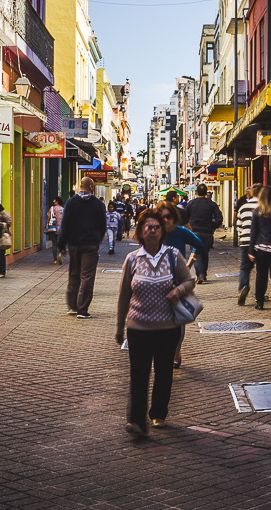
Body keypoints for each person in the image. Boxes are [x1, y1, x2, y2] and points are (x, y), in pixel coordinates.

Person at [115, 208, 196, 437]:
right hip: (138, 327)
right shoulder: (132, 259)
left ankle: (158, 413)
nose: (152, 231)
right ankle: (136, 422)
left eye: (156, 227)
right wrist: (119, 326)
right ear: (140, 231)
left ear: (162, 231)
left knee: (163, 372)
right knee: (138, 374)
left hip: (167, 327)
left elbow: (190, 280)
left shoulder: (172, 255)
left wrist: (179, 290)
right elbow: (123, 296)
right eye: (147, 227)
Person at [157, 201, 202, 369]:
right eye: (162, 216)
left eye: (168, 216)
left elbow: (199, 245)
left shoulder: (181, 232)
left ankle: (176, 351)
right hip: (157, 282)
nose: (165, 220)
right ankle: (163, 351)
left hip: (177, 282)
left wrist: (189, 265)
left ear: (174, 217)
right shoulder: (155, 232)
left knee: (178, 319)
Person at [58, 177, 106, 318]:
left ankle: (73, 306)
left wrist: (62, 244)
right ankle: (82, 310)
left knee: (74, 274)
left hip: (74, 244)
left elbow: (65, 225)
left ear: (81, 186)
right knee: (87, 276)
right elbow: (103, 225)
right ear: (91, 187)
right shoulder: (98, 204)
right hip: (90, 244)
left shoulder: (71, 202)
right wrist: (97, 241)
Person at [183, 183, 223, 283]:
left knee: (196, 253)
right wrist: (213, 227)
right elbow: (219, 218)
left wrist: (188, 227)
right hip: (207, 232)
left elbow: (184, 217)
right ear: (206, 193)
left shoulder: (191, 203)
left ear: (196, 192)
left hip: (194, 232)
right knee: (204, 253)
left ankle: (200, 274)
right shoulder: (211, 204)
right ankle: (203, 274)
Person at [236, 185, 260, 306]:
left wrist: (242, 236)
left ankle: (243, 288)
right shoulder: (264, 207)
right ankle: (259, 294)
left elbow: (238, 226)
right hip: (261, 242)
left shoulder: (243, 207)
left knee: (245, 267)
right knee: (261, 269)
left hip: (245, 241)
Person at [45, 197, 64, 264]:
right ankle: (59, 254)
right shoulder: (63, 209)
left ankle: (55, 260)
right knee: (60, 243)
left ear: (57, 201)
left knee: (54, 243)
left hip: (53, 227)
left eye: (54, 200)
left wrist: (46, 226)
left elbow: (48, 217)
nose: (53, 201)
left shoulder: (52, 209)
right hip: (61, 228)